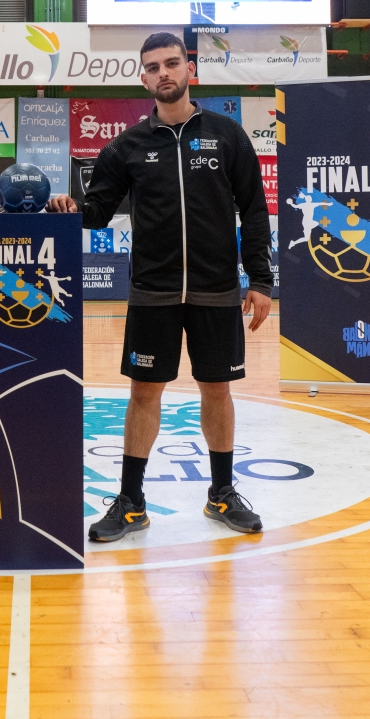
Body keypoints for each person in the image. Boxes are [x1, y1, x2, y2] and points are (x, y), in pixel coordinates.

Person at [47, 32, 272, 542]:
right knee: (144, 392)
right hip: (154, 291)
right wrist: (70, 208)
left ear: (189, 68)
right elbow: (97, 212)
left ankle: (221, 494)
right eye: (153, 67)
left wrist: (260, 278)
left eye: (172, 63)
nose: (163, 73)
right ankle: (131, 502)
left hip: (217, 289)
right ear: (143, 77)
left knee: (217, 389)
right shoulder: (126, 146)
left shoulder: (228, 135)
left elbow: (254, 210)